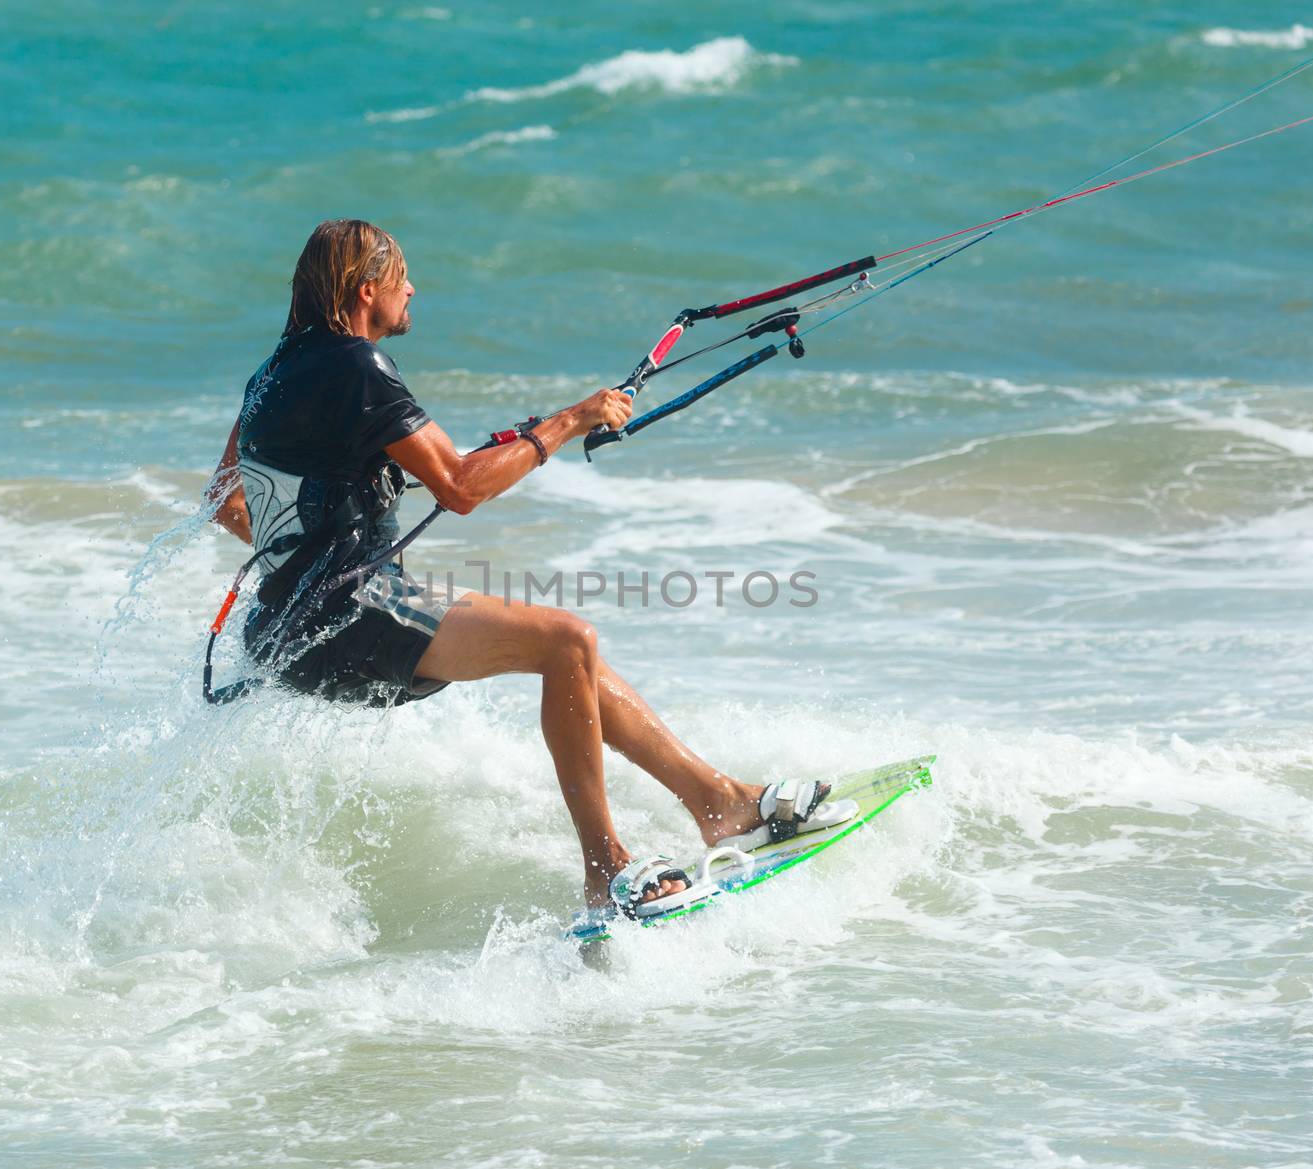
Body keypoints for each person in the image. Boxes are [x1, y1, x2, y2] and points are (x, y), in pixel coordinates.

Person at [207, 219, 846, 918]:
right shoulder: (359, 370)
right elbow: (459, 486)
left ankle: (721, 803)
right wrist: (571, 420)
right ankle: (607, 868)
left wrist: (307, 543)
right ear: (367, 292)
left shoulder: (268, 377)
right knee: (565, 638)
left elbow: (223, 499)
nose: (412, 289)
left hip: (284, 633)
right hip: (350, 613)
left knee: (573, 659)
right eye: (401, 279)